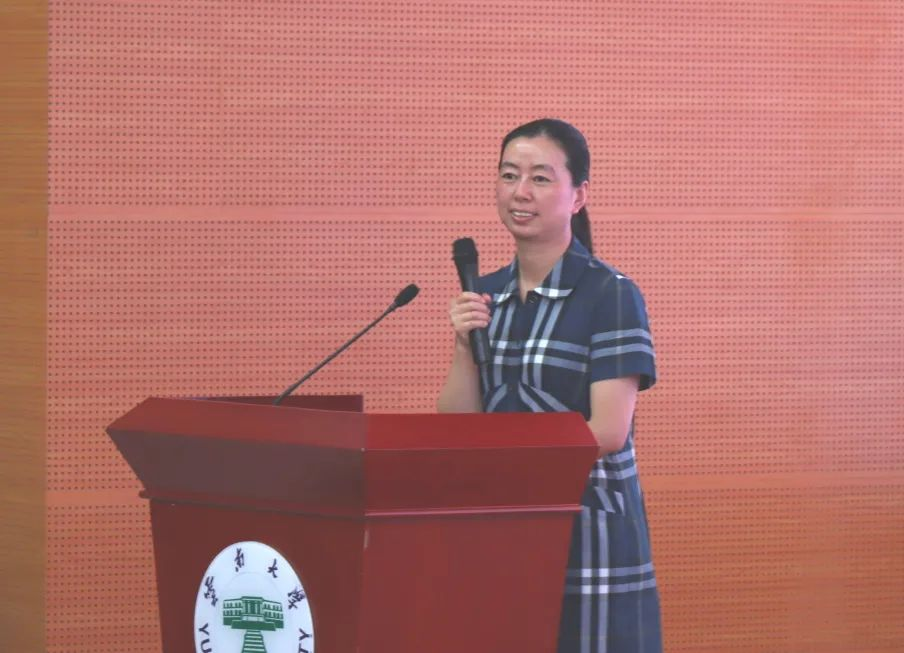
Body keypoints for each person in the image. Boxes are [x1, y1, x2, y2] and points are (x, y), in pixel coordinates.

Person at [437, 118, 662, 652]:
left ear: (578, 195)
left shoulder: (610, 294)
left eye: (540, 178)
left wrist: (510, 458)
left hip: (587, 534)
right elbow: (459, 426)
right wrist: (464, 346)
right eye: (509, 175)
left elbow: (607, 431)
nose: (520, 191)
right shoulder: (486, 293)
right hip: (501, 526)